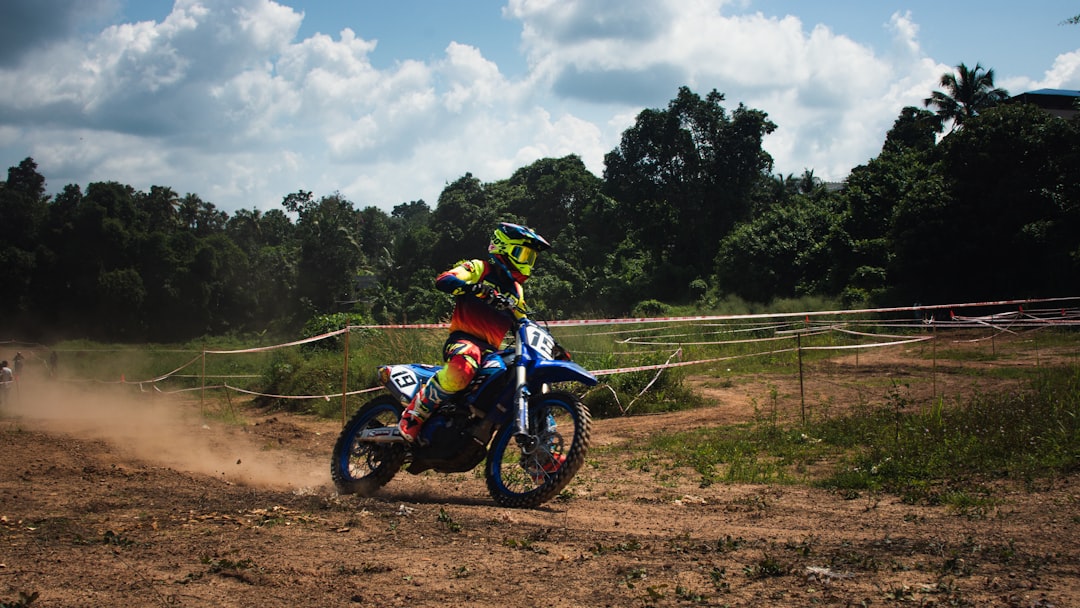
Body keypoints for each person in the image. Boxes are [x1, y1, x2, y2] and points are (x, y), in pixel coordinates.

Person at [397, 222, 551, 443]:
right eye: (522, 254)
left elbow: (523, 321)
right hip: (463, 340)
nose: (527, 262)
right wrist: (473, 288)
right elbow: (444, 279)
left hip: (491, 353)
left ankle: (544, 447)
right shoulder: (479, 268)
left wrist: (550, 345)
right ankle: (414, 414)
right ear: (503, 247)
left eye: (531, 257)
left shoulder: (517, 290)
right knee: (466, 363)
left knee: (521, 377)